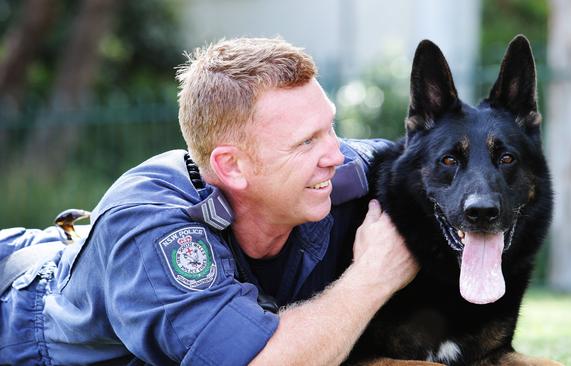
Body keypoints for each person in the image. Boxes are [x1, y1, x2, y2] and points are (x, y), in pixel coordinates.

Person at [0, 37, 419, 365]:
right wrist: (374, 276)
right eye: (306, 141)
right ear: (232, 166)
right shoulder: (156, 230)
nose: (334, 154)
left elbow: (446, 171)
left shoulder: (345, 172)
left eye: (330, 128)